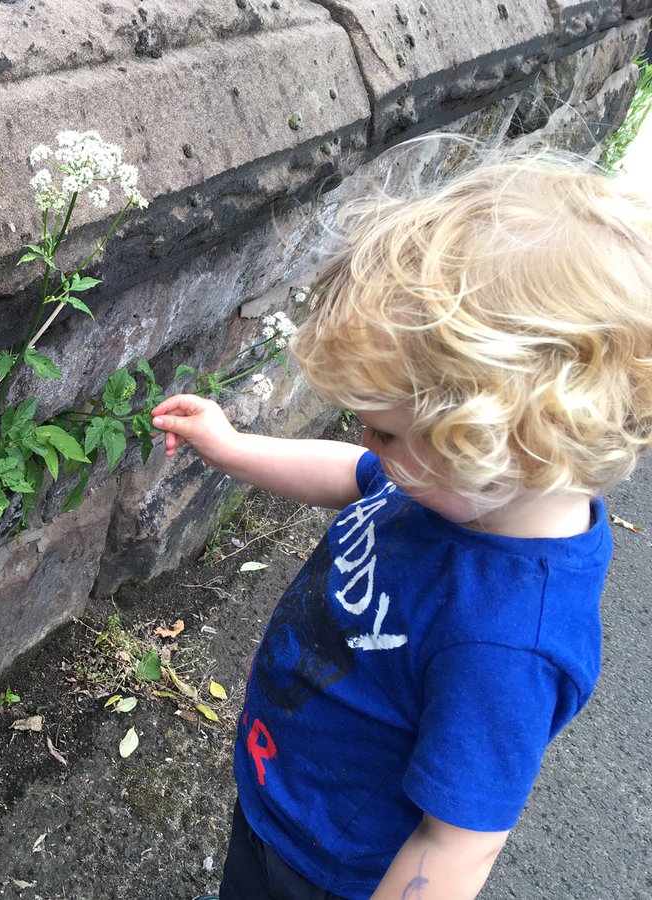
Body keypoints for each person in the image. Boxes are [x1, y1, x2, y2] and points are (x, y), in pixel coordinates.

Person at [150, 149, 652, 899]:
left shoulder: (507, 643)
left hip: (328, 869)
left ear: (503, 443)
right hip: (283, 796)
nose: (367, 443)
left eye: (384, 430)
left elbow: (456, 846)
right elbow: (354, 476)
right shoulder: (455, 484)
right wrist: (233, 447)